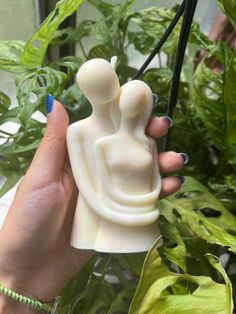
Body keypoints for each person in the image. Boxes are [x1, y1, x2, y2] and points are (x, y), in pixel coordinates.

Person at [0, 94, 187, 313]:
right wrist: (108, 206)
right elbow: (96, 183)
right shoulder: (100, 140)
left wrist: (145, 200)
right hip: (107, 206)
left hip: (139, 211)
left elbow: (153, 182)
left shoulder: (146, 142)